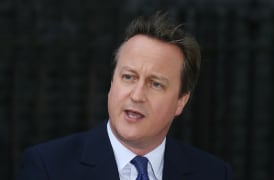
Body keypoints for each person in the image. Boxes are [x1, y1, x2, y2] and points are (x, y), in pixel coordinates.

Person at [18, 12, 232, 180]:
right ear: (112, 82)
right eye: (129, 77)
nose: (137, 95)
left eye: (155, 84)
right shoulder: (49, 167)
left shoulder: (213, 174)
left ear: (181, 101)